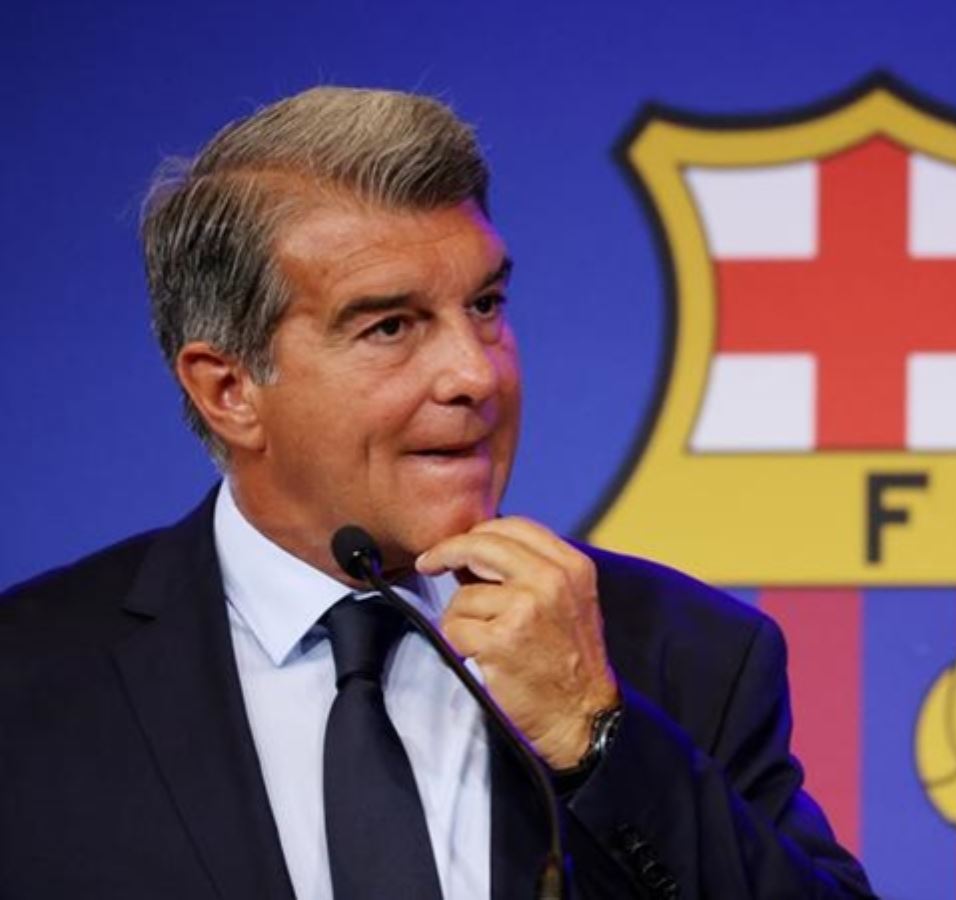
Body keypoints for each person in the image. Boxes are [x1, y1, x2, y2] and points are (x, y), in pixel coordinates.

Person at [0, 87, 872, 899]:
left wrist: (597, 739)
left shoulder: (683, 653)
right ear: (229, 391)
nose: (475, 374)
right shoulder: (29, 680)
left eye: (485, 306)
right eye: (390, 326)